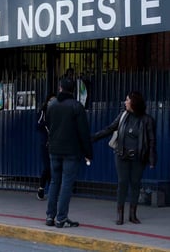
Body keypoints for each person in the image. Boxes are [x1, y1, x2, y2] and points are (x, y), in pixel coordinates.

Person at [92, 91, 157, 225]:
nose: (125, 102)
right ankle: (120, 214)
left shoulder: (147, 120)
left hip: (138, 157)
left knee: (135, 183)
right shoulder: (123, 116)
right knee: (122, 183)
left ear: (134, 103)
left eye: (127, 100)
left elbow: (151, 141)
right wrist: (93, 138)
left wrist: (151, 159)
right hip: (121, 155)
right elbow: (110, 129)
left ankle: (132, 214)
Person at [45, 78, 92, 228]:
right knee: (66, 184)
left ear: (60, 88)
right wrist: (88, 152)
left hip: (54, 149)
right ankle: (61, 218)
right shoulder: (76, 106)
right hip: (71, 151)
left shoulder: (51, 106)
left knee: (54, 182)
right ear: (73, 90)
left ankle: (50, 217)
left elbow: (48, 125)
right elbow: (83, 132)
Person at [36, 93, 56, 200]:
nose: (52, 103)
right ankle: (41, 187)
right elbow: (38, 125)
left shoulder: (59, 112)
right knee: (47, 167)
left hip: (56, 143)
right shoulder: (43, 112)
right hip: (45, 143)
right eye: (50, 100)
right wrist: (46, 122)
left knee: (55, 167)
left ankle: (53, 190)